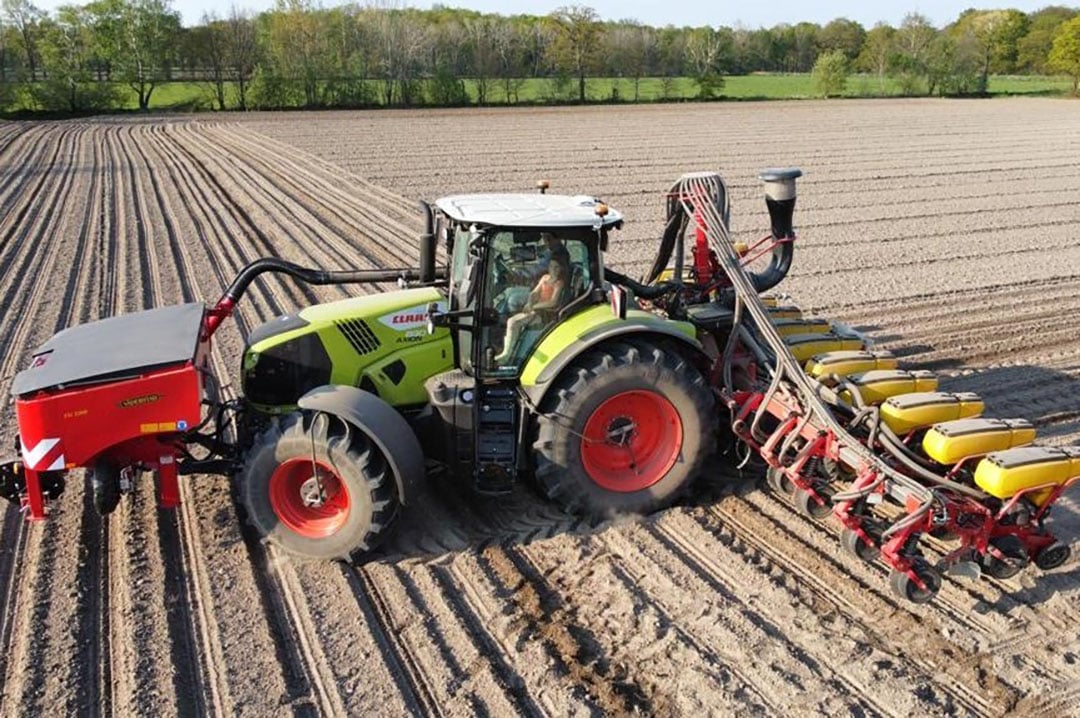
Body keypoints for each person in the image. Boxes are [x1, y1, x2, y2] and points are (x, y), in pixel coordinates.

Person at [494, 257, 568, 365]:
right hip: (536, 309)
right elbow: (534, 292)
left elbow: (553, 302)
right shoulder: (545, 278)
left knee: (512, 322)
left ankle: (506, 355)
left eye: (557, 267)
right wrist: (529, 302)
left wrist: (534, 307)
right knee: (512, 303)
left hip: (545, 313)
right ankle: (510, 348)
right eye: (552, 266)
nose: (554, 269)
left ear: (561, 269)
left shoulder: (559, 283)